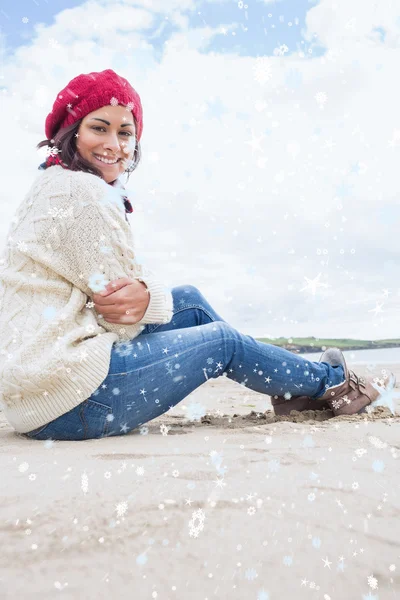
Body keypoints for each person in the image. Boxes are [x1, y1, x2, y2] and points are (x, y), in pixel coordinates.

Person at [0, 69, 395, 442]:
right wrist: (147, 297)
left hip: (40, 394)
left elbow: (124, 301)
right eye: (98, 128)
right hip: (71, 403)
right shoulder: (81, 195)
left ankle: (297, 388)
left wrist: (147, 296)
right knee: (221, 342)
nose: (114, 145)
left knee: (186, 300)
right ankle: (331, 384)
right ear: (70, 131)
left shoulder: (56, 183)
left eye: (126, 132)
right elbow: (122, 322)